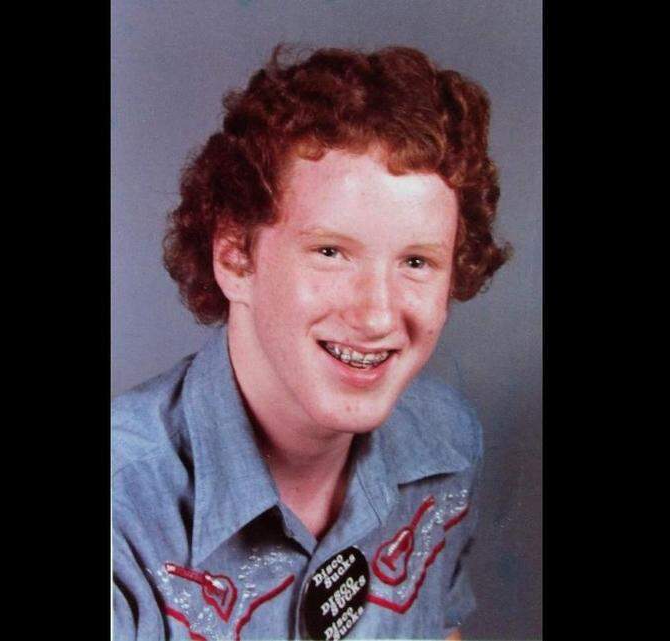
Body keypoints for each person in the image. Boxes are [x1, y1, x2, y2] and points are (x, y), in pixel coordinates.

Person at [112, 45, 511, 640]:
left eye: (417, 262)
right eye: (330, 252)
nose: (377, 315)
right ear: (235, 258)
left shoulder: (448, 443)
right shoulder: (124, 512)